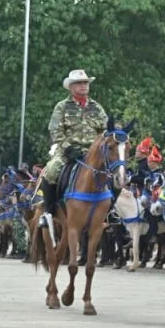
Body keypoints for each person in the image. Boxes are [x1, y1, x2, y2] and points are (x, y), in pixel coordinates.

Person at [38, 69, 109, 232]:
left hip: (93, 153)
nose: (83, 86)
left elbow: (105, 131)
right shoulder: (62, 107)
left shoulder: (96, 107)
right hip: (68, 152)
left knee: (114, 174)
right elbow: (55, 130)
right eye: (79, 83)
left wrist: (100, 148)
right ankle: (48, 212)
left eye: (85, 83)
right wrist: (67, 148)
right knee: (50, 172)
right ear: (71, 87)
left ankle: (111, 212)